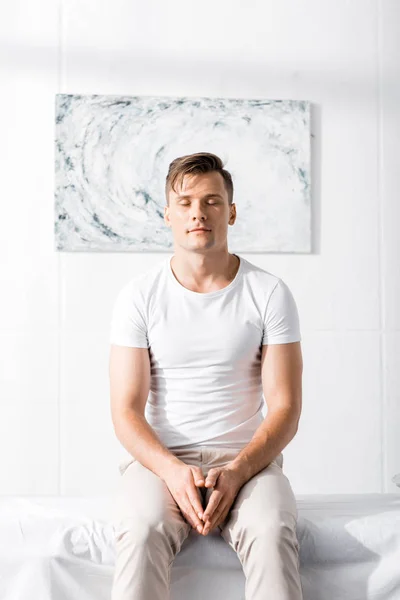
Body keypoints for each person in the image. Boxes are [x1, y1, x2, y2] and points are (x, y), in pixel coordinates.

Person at [109, 152, 304, 600]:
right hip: (158, 463)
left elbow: (286, 407)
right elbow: (125, 410)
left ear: (230, 212)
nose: (199, 212)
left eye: (212, 201)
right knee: (141, 530)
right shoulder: (138, 296)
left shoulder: (269, 293)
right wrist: (174, 473)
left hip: (248, 462)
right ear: (168, 214)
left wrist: (236, 472)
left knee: (271, 530)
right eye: (185, 202)